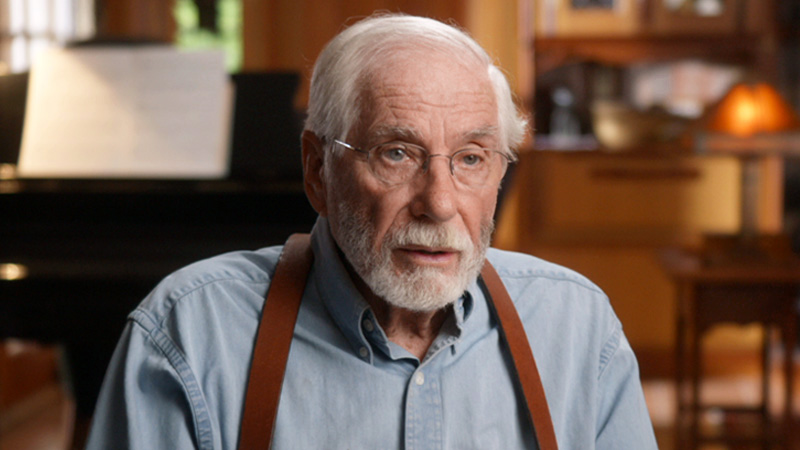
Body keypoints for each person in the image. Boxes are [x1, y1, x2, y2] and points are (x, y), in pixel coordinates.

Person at [86, 13, 658, 449]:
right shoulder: (190, 334)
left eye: (471, 158)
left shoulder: (577, 328)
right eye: (397, 153)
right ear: (318, 170)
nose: (439, 204)